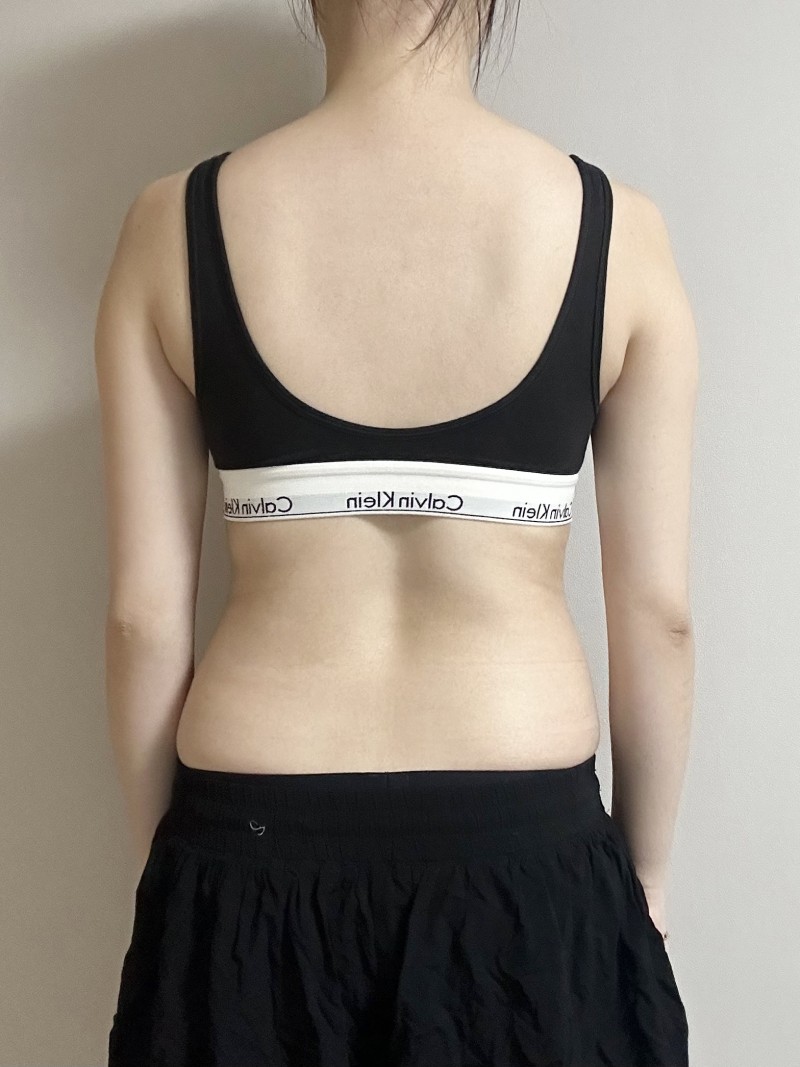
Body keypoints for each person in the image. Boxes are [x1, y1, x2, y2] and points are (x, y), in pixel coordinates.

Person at [94, 0, 697, 1061]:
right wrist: (642, 875)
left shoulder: (171, 223)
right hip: (527, 864)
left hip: (248, 847)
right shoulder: (617, 231)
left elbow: (145, 618)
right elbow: (659, 616)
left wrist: (169, 877)